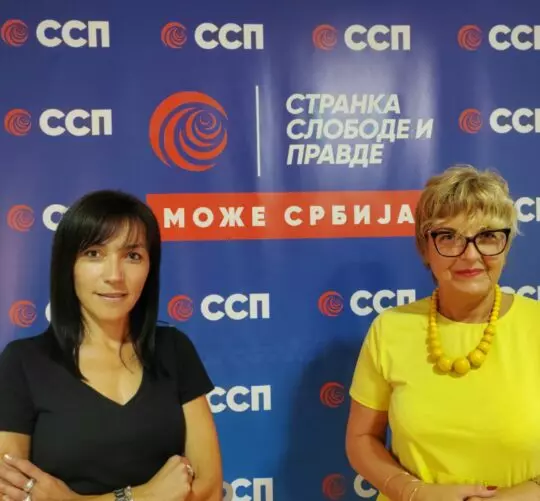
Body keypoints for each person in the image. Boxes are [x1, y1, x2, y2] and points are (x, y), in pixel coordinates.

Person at [0, 190, 222, 501]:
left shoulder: (173, 349)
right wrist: (143, 496)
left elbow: (209, 490)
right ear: (68, 265)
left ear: (150, 267)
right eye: (94, 253)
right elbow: (9, 493)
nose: (115, 275)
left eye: (132, 256)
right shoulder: (23, 362)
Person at [345, 165, 540, 501]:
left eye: (487, 236)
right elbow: (361, 439)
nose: (470, 254)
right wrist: (415, 493)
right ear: (425, 248)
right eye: (448, 237)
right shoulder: (390, 328)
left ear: (506, 245)